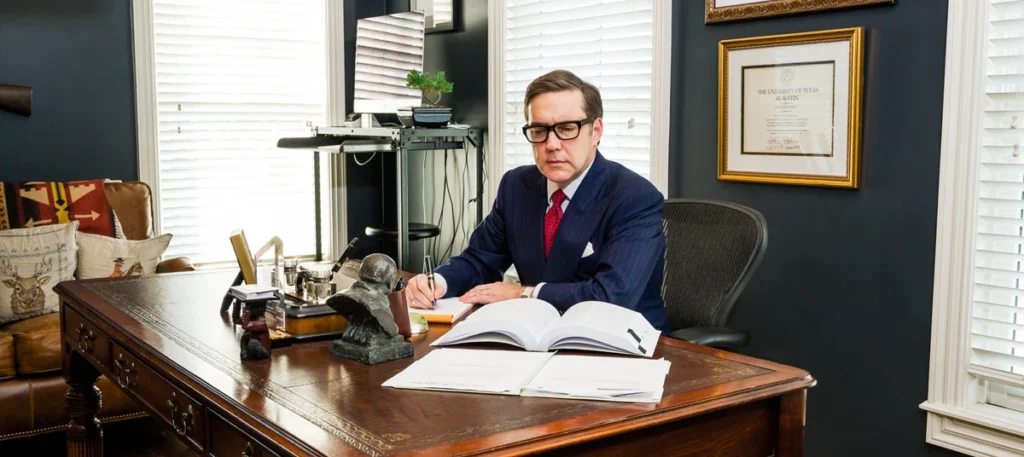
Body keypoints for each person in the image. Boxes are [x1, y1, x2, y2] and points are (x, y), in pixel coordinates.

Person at [406, 69, 667, 329]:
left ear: (596, 130)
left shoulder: (634, 197)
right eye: (539, 130)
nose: (551, 144)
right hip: (536, 335)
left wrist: (523, 293)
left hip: (622, 346)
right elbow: (479, 260)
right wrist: (437, 282)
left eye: (567, 128)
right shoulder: (516, 186)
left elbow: (612, 296)